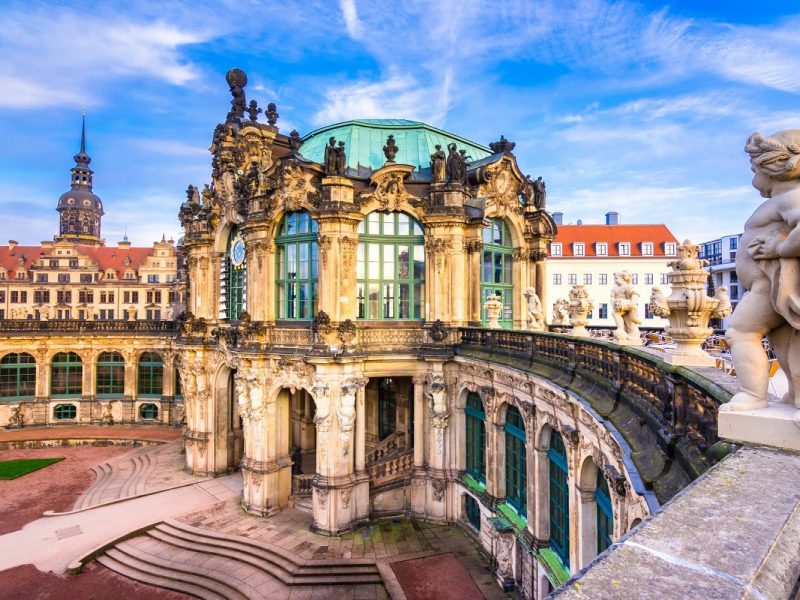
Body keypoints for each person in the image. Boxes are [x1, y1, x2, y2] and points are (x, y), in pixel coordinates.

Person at [722, 130, 800, 413]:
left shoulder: (791, 197)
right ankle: (795, 393)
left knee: (740, 331)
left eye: (754, 170)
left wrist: (779, 250)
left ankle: (753, 395)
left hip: (771, 285)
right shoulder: (782, 201)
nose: (754, 178)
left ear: (772, 168)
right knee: (783, 342)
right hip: (767, 285)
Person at [610, 271, 642, 344]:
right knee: (615, 313)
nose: (615, 280)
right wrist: (614, 303)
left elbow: (634, 294)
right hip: (619, 307)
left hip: (628, 307)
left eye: (616, 278)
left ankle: (632, 337)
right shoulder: (614, 288)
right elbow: (612, 297)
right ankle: (621, 330)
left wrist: (632, 303)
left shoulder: (628, 286)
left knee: (630, 324)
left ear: (623, 278)